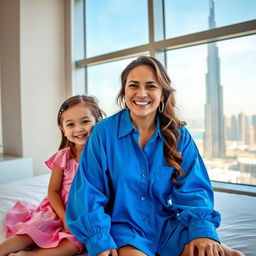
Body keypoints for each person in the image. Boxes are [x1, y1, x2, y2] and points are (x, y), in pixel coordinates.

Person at [66, 56, 245, 256]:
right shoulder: (103, 133)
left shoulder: (179, 135)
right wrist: (99, 240)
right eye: (133, 85)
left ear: (163, 94)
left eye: (151, 86)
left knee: (233, 255)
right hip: (125, 229)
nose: (142, 93)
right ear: (124, 91)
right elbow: (88, 193)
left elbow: (193, 187)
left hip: (168, 225)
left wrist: (201, 230)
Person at [0, 95, 105, 256]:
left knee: (73, 245)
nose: (78, 129)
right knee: (32, 231)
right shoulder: (63, 157)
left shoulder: (104, 158)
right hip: (56, 209)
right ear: (63, 129)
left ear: (98, 121)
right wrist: (64, 218)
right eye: (70, 124)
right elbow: (53, 192)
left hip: (83, 213)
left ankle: (27, 255)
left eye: (85, 121)